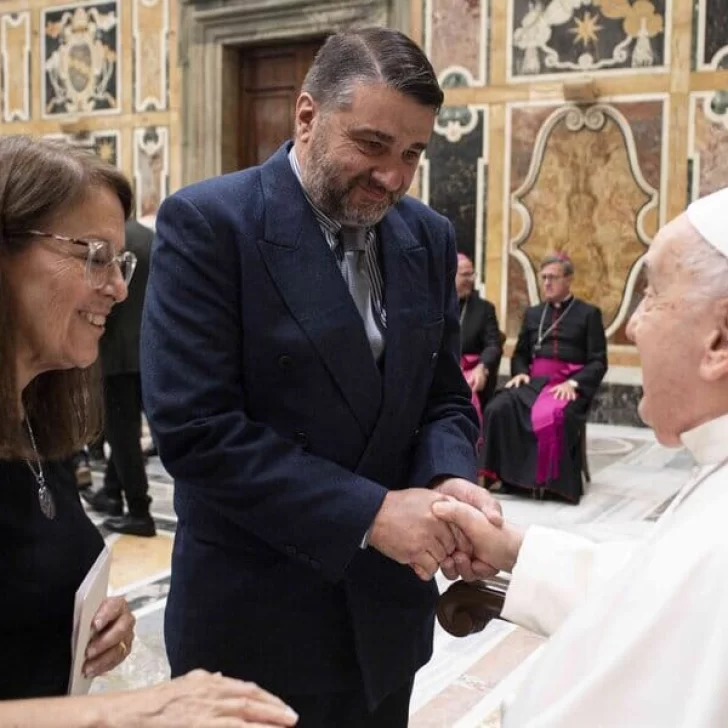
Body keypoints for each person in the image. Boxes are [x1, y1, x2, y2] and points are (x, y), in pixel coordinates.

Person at [141, 27, 499, 728]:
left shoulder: (426, 236)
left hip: (385, 617)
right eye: (371, 144)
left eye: (413, 154)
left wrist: (447, 473)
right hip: (256, 619)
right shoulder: (211, 224)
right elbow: (197, 432)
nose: (393, 176)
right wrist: (369, 513)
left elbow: (443, 396)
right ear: (305, 116)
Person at [0, 135, 299, 727]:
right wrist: (132, 711)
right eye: (93, 255)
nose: (117, 287)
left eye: (121, 261)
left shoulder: (38, 427)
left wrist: (95, 621)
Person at [433, 186, 728, 726]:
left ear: (720, 340)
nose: (633, 325)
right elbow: (652, 594)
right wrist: (514, 549)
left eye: (653, 294)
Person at [481, 253, 607, 502]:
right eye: (544, 278)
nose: (547, 283)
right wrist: (519, 373)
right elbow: (520, 354)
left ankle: (549, 485)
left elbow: (598, 360)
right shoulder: (533, 313)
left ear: (568, 279)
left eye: (553, 277)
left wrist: (575, 383)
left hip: (567, 384)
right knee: (498, 407)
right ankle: (506, 478)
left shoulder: (588, 314)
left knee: (554, 416)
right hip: (533, 382)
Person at [83, 218, 155, 537]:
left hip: (113, 352)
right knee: (124, 431)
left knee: (122, 436)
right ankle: (110, 495)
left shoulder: (104, 243)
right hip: (147, 348)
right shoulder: (150, 237)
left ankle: (139, 510)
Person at [456, 252, 503, 422]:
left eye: (472, 274)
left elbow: (493, 345)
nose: (471, 279)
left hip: (471, 372)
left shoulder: (484, 309)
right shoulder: (437, 304)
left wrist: (482, 367)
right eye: (465, 275)